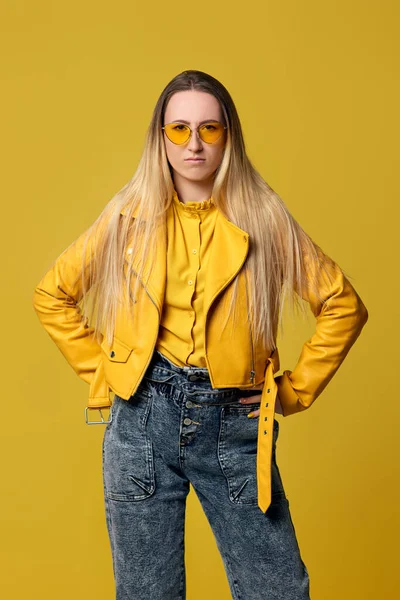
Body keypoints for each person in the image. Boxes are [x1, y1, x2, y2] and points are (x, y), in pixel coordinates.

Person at [32, 69, 368, 599]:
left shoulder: (265, 217)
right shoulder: (127, 216)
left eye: (209, 129)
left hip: (232, 423)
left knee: (277, 588)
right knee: (147, 592)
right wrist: (110, 371)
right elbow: (52, 294)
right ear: (159, 138)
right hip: (140, 421)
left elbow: (342, 305)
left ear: (228, 137)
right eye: (179, 129)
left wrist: (293, 389)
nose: (194, 144)